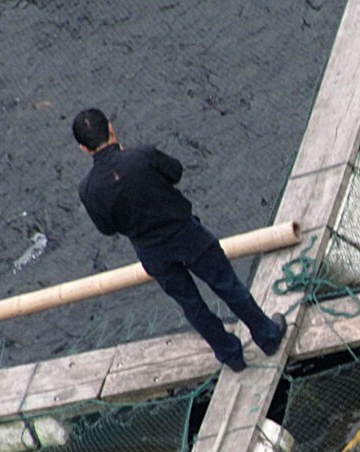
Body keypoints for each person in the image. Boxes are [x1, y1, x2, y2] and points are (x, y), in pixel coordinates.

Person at [72, 108, 285, 372]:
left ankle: (231, 355)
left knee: (191, 304)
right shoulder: (142, 156)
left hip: (151, 251)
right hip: (186, 234)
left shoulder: (87, 189)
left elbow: (107, 228)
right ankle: (267, 336)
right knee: (226, 284)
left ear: (84, 148)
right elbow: (176, 172)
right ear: (111, 129)